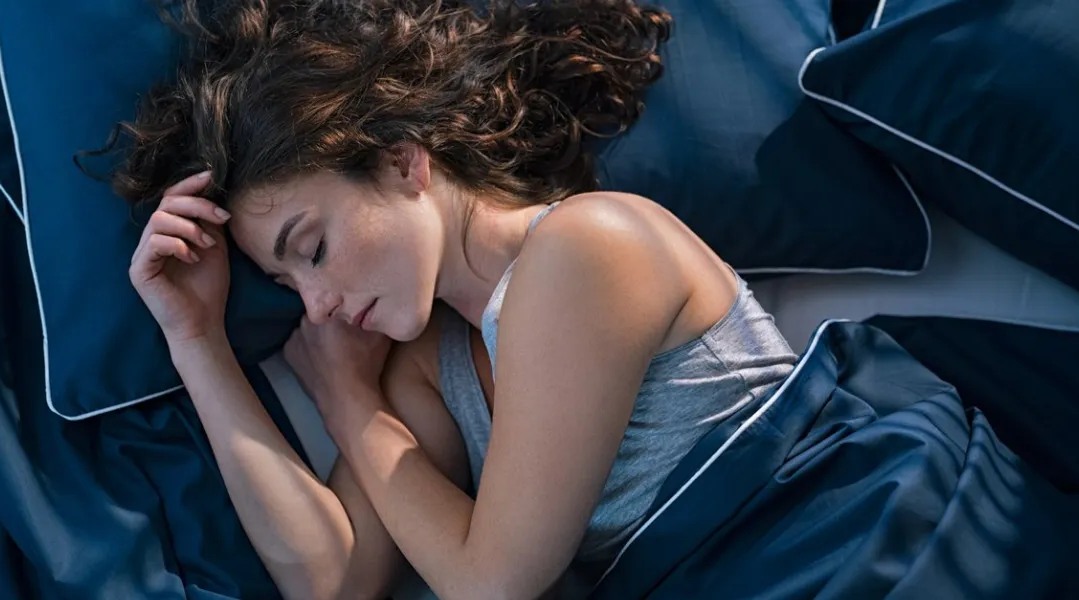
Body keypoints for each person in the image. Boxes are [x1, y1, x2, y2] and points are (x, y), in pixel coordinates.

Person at [109, 0, 797, 597]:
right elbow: (333, 578)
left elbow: (491, 585)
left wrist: (349, 405)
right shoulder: (433, 365)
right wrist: (196, 340)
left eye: (313, 249)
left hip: (835, 548)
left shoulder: (586, 247)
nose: (316, 307)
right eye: (288, 285)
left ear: (403, 161)